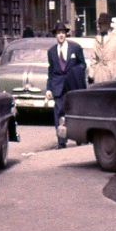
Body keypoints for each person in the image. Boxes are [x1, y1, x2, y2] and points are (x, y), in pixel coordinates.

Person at [46, 20, 87, 148]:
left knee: (75, 111)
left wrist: (75, 72)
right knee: (59, 113)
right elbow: (51, 71)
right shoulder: (51, 52)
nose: (61, 35)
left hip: (73, 85)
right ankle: (61, 141)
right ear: (55, 35)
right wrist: (48, 89)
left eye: (63, 32)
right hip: (58, 87)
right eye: (58, 33)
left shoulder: (75, 47)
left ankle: (79, 138)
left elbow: (82, 64)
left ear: (66, 34)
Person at [89, 13, 116, 83]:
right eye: (99, 23)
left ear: (108, 24)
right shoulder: (97, 38)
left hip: (114, 75)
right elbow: (93, 59)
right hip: (99, 75)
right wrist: (91, 74)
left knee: (112, 93)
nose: (99, 26)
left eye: (101, 24)